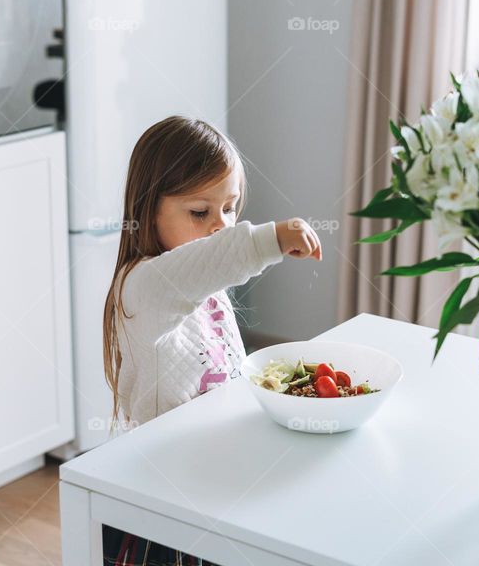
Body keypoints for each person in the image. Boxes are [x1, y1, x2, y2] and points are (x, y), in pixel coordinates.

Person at [100, 116, 322, 565]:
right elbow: (209, 262)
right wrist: (269, 239)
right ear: (147, 210)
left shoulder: (201, 284)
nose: (221, 225)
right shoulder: (143, 285)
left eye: (231, 207)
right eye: (200, 212)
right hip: (166, 490)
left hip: (214, 473)